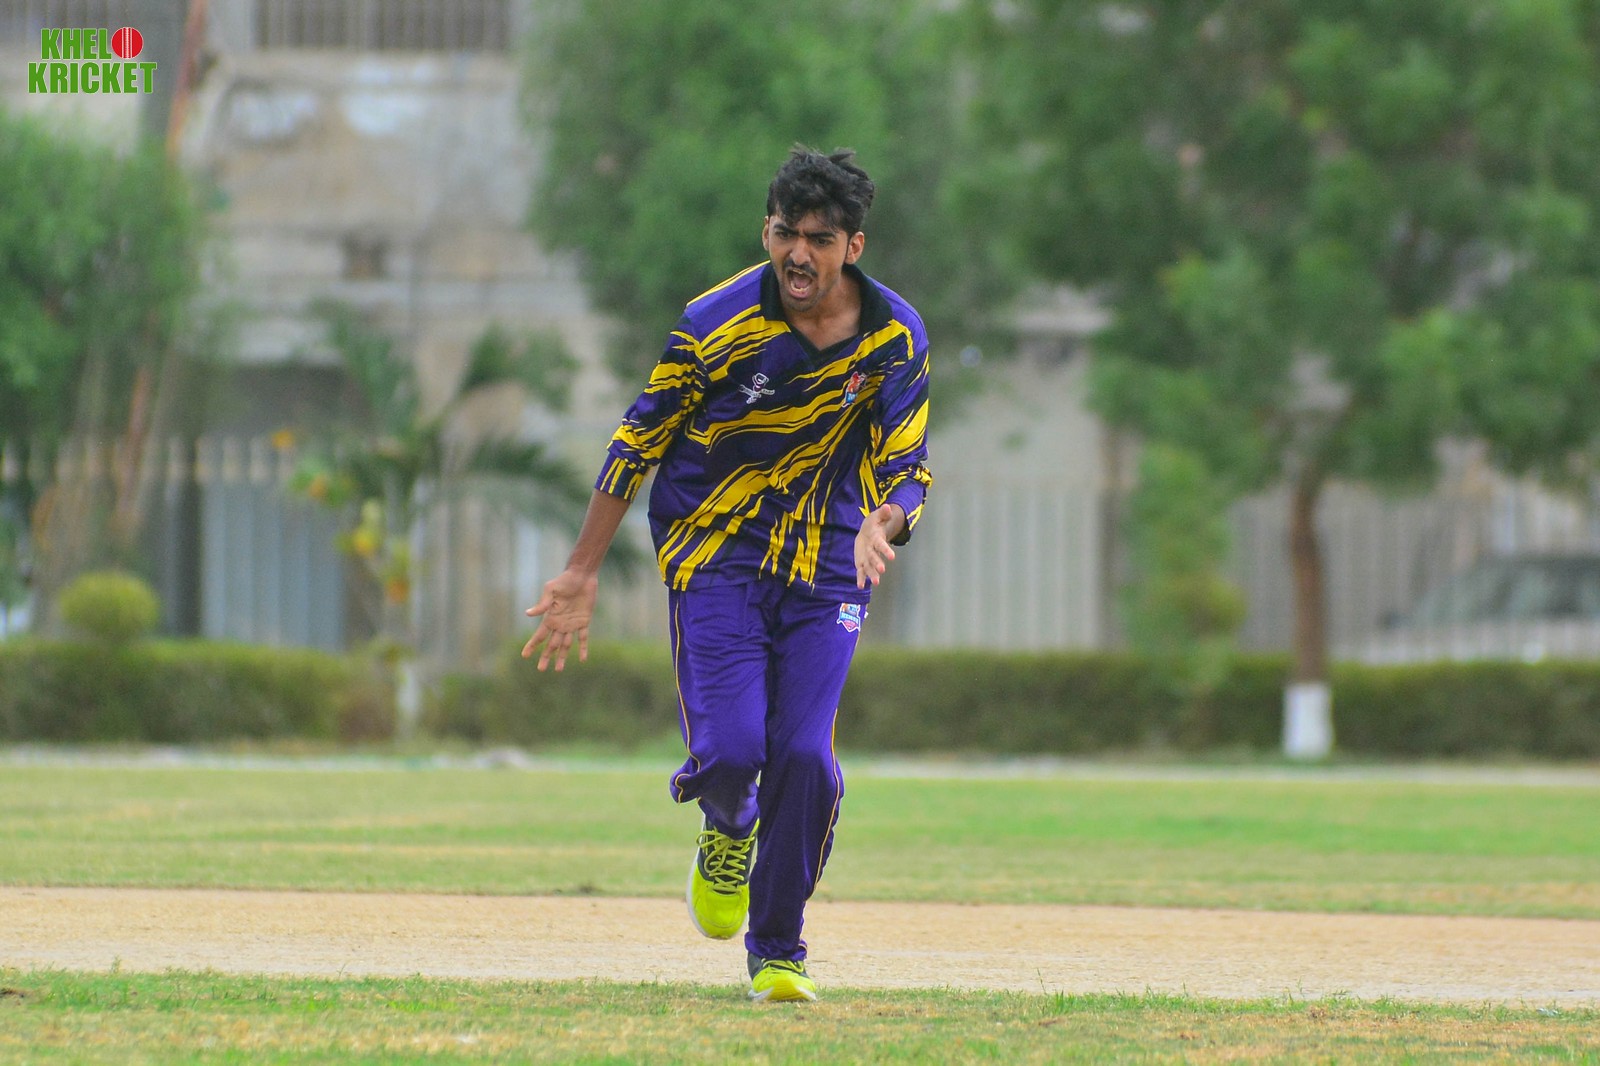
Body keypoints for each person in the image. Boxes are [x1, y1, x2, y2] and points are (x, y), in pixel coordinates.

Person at [521, 145, 931, 1003]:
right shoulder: (714, 322)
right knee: (735, 751)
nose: (798, 255)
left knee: (805, 757)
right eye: (785, 233)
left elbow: (909, 465)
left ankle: (777, 950)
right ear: (766, 230)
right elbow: (638, 440)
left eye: (820, 239)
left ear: (854, 246)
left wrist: (884, 521)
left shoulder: (895, 336)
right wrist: (581, 571)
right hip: (716, 551)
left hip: (829, 559)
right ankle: (728, 825)